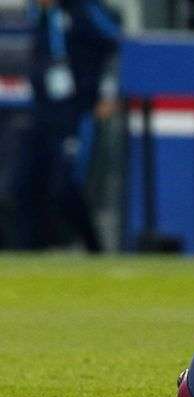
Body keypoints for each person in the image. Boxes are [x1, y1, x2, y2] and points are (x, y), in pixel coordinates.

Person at [15, 0, 120, 252]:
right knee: (23, 183)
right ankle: (29, 254)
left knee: (64, 186)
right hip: (43, 112)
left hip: (77, 113)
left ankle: (95, 248)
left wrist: (107, 91)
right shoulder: (38, 13)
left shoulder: (85, 9)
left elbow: (117, 41)